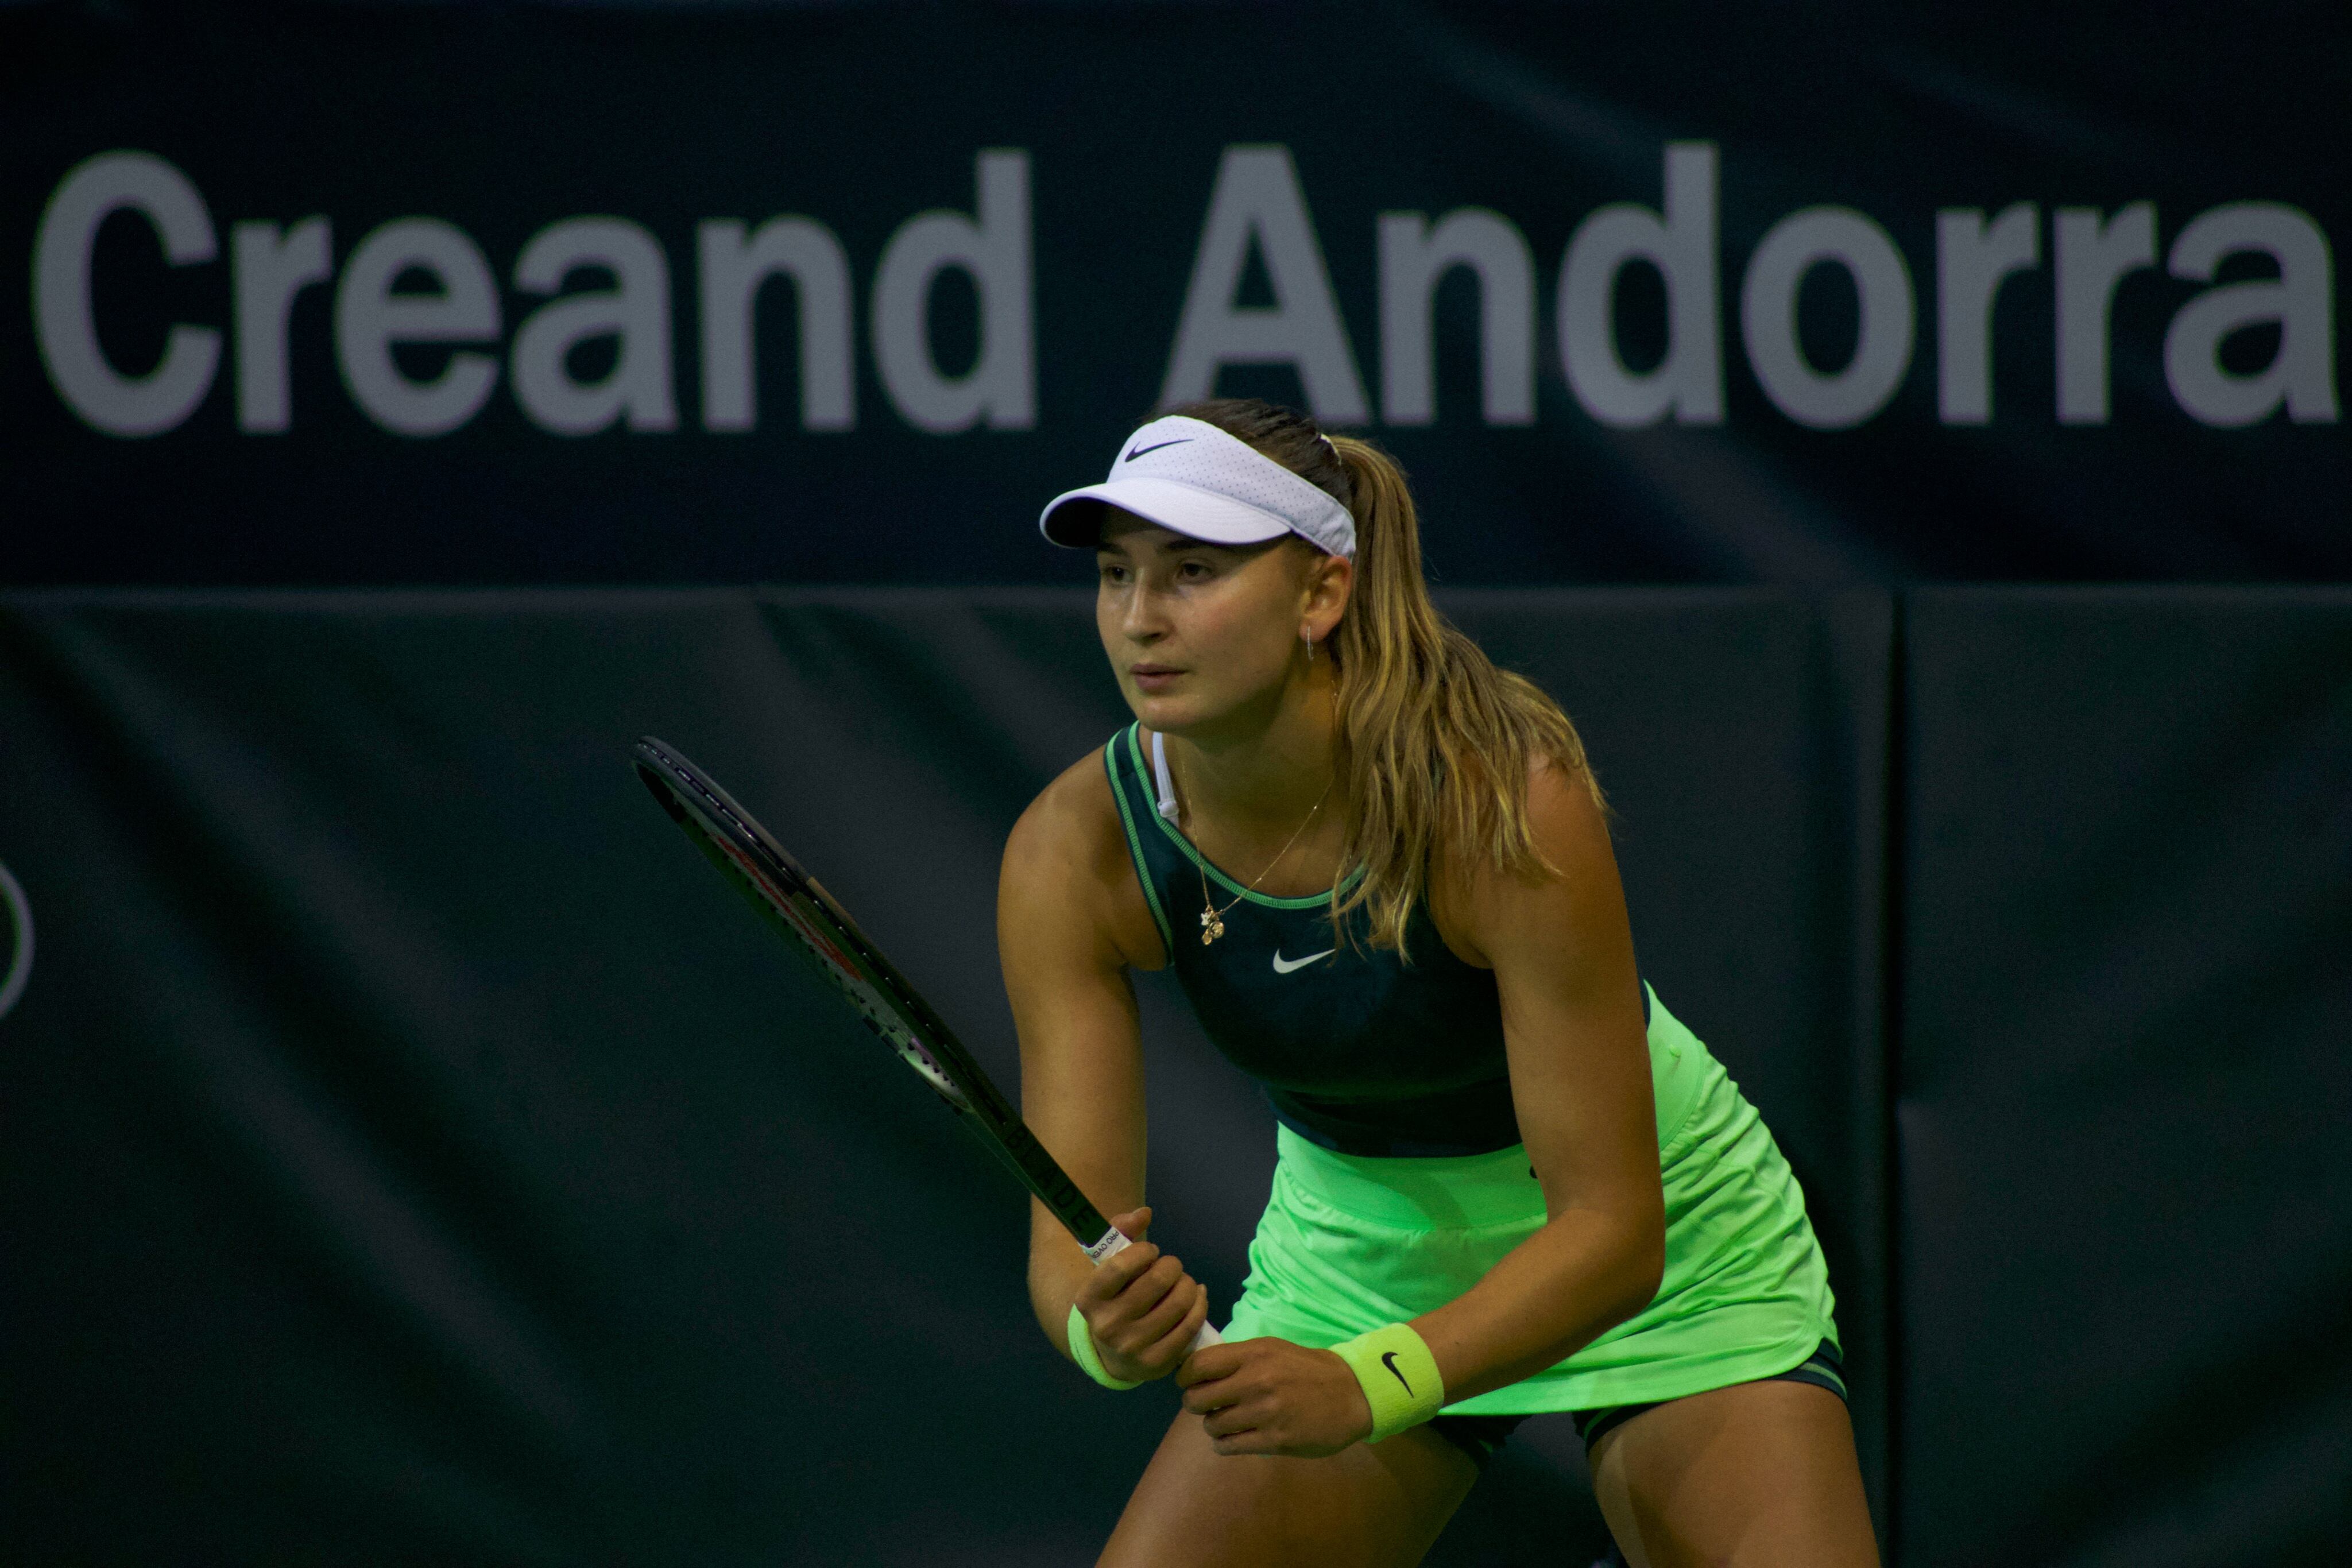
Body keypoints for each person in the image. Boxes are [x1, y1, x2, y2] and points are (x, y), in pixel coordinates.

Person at [997, 398, 1879, 1568]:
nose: (1139, 620)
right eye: (1116, 575)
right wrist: (1099, 1327)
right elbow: (1071, 1244)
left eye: (1193, 571)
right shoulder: (1073, 851)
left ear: (1321, 593)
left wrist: (1372, 1385)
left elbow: (1614, 1234)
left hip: (1666, 1252)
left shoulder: (1497, 801)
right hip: (1357, 1264)